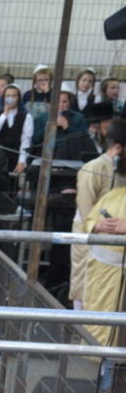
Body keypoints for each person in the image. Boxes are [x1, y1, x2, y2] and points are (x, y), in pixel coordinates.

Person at [72, 119, 126, 310]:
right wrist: (98, 225)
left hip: (114, 243)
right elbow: (86, 210)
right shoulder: (93, 168)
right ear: (119, 148)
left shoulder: (123, 170)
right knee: (84, 285)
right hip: (91, 235)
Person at [82, 184, 126, 345]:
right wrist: (98, 225)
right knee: (99, 319)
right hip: (102, 273)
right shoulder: (114, 194)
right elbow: (89, 221)